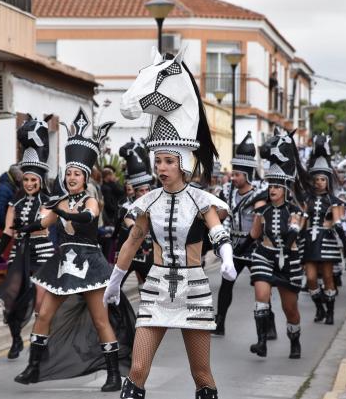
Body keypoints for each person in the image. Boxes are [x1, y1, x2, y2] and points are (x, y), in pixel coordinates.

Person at [105, 49, 235, 399]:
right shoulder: (146, 202)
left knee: (201, 373)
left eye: (167, 161)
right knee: (136, 370)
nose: (161, 168)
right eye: (158, 160)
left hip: (193, 289)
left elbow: (216, 229)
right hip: (157, 289)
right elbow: (133, 241)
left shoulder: (201, 199)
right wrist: (115, 281)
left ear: (183, 164)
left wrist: (227, 258)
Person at [14, 108, 134, 392]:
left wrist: (64, 213)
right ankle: (33, 367)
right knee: (43, 314)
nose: (71, 177)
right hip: (63, 264)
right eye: (68, 173)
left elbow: (87, 218)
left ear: (85, 177)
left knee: (99, 319)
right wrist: (22, 229)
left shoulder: (91, 200)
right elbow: (44, 222)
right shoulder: (60, 202)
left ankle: (113, 374)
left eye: (76, 173)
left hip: (90, 264)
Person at [0, 116, 54, 360]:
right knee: (11, 299)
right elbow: (8, 230)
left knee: (40, 304)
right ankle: (16, 339)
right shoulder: (14, 202)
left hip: (42, 253)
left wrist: (26, 227)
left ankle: (40, 345)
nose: (29, 183)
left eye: (33, 180)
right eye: (26, 179)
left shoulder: (48, 201)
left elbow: (44, 223)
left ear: (40, 181)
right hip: (19, 253)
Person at [213, 132, 269, 337]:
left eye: (238, 174)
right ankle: (220, 322)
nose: (233, 177)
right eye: (233, 174)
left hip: (254, 247)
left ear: (248, 175)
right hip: (234, 245)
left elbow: (261, 222)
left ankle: (268, 326)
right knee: (226, 284)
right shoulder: (227, 190)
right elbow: (219, 214)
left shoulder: (260, 193)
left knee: (261, 286)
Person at [246, 162, 305, 358]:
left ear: (285, 190)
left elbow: (295, 230)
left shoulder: (295, 211)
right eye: (271, 186)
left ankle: (295, 341)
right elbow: (254, 235)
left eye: (277, 186)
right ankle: (261, 342)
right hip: (265, 256)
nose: (273, 190)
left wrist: (287, 244)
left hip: (289, 261)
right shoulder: (262, 211)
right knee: (261, 296)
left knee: (290, 308)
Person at [303, 135, 346, 326]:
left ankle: (330, 312)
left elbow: (338, 222)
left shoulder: (335, 201)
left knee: (328, 276)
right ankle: (319, 308)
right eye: (316, 179)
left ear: (328, 180)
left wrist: (344, 245)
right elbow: (303, 220)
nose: (319, 182)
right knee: (311, 279)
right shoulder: (307, 200)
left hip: (327, 240)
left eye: (323, 179)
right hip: (311, 241)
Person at [115, 139, 154, 287]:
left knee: (149, 289)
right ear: (135, 192)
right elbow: (129, 218)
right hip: (127, 251)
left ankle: (144, 310)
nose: (144, 193)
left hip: (146, 253)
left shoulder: (154, 204)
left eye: (146, 190)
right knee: (113, 288)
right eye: (140, 191)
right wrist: (134, 230)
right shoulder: (127, 205)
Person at [0, 164, 22, 235]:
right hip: (5, 231)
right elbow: (0, 212)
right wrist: (8, 227)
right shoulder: (3, 189)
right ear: (17, 177)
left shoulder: (11, 187)